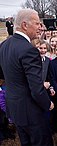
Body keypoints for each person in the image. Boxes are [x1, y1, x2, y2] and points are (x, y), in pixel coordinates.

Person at [0, 9, 54, 146]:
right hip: (32, 112)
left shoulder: (4, 45)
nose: (40, 27)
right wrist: (48, 103)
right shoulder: (29, 50)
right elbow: (36, 89)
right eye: (37, 23)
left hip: (15, 108)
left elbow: (4, 75)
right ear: (25, 25)